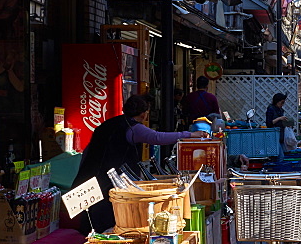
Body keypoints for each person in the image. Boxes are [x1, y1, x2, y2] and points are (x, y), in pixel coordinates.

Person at [72, 94, 207, 234]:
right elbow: (157, 137)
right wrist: (190, 135)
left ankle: (88, 237)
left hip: (90, 174)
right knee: (108, 215)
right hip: (112, 179)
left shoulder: (108, 124)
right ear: (143, 114)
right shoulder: (133, 128)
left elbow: (88, 150)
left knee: (90, 214)